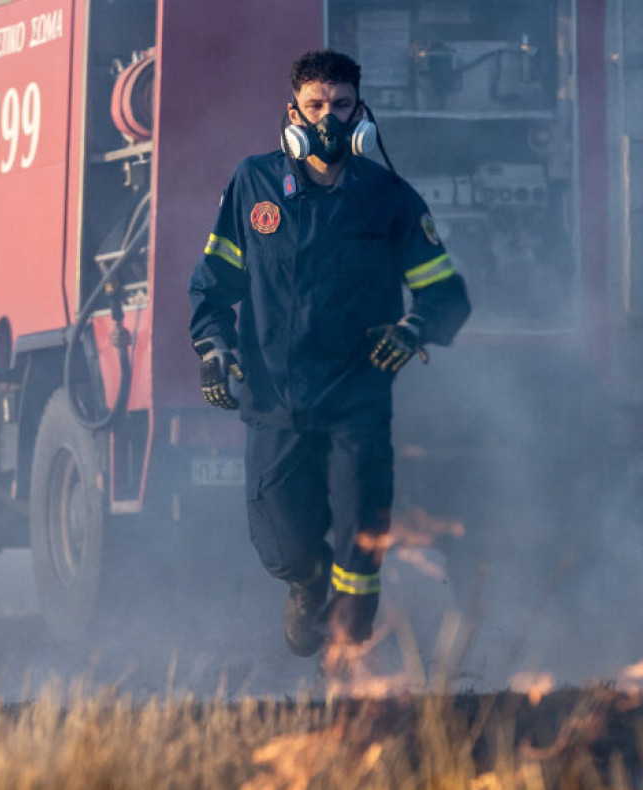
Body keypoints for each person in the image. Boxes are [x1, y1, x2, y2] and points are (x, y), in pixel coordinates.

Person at [188, 50, 471, 657]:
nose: (328, 118)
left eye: (340, 105)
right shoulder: (253, 184)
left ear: (360, 114)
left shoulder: (388, 197)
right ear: (292, 112)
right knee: (286, 549)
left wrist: (413, 329)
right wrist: (213, 348)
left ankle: (347, 662)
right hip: (275, 401)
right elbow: (213, 287)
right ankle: (306, 584)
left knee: (359, 552)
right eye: (315, 105)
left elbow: (446, 294)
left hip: (356, 401)